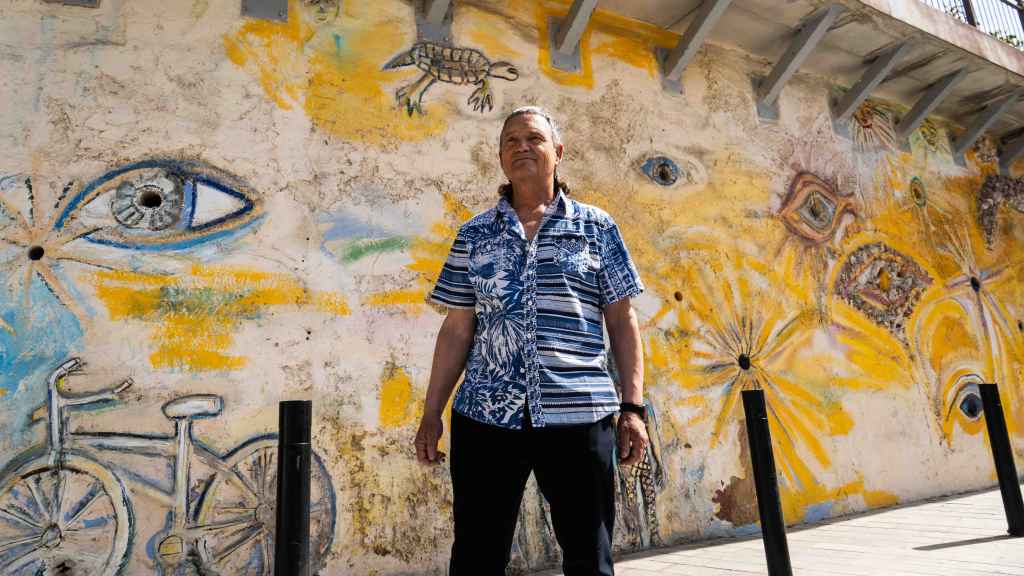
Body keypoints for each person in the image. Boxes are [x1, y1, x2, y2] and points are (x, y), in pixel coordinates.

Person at [414, 106, 648, 576]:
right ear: (501, 158)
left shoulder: (597, 228)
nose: (522, 146)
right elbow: (457, 329)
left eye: (534, 138)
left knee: (590, 556)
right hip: (485, 416)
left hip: (579, 413)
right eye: (511, 141)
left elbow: (622, 321)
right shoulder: (473, 235)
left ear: (558, 152)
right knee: (476, 556)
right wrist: (431, 412)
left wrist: (633, 408)